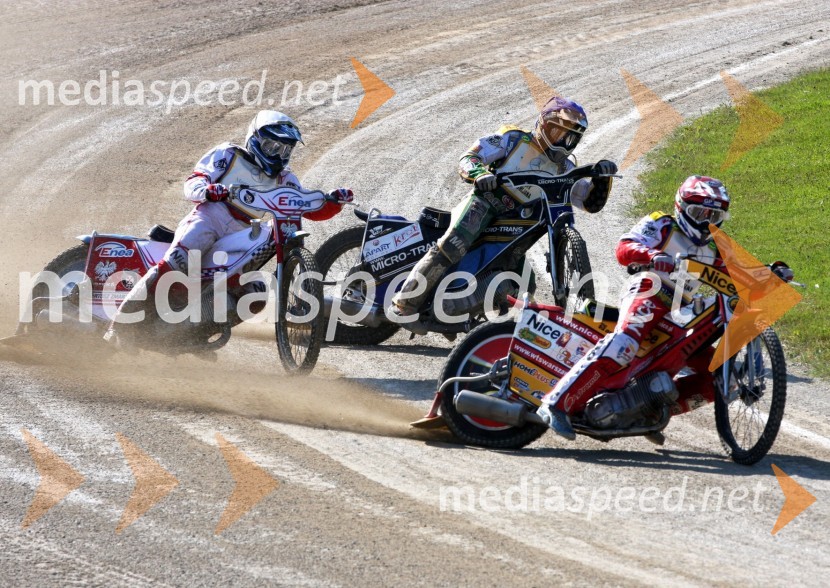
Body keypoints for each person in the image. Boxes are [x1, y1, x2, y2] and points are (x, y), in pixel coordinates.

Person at [106, 110, 352, 335]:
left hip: (242, 235)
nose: (279, 155)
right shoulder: (228, 154)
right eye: (272, 146)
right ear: (255, 139)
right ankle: (118, 328)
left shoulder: (286, 179)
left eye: (286, 150)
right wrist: (207, 190)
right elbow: (194, 181)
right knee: (180, 259)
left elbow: (307, 207)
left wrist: (333, 201)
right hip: (210, 217)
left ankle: (183, 337)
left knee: (255, 294)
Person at [389, 96, 616, 328]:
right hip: (486, 202)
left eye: (570, 138)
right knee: (453, 243)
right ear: (544, 124)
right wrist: (479, 174)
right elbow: (469, 157)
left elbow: (590, 203)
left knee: (524, 284)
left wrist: (602, 178)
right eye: (558, 133)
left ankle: (473, 322)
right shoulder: (512, 139)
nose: (563, 142)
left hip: (521, 225)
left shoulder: (565, 168)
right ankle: (404, 304)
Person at [537, 175, 731, 439]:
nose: (706, 222)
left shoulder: (717, 247)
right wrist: (653, 255)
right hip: (650, 290)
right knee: (624, 343)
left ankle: (646, 413)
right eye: (700, 213)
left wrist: (772, 275)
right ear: (682, 207)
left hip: (683, 313)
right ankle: (555, 403)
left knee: (722, 375)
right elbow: (623, 247)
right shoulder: (662, 223)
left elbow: (739, 277)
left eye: (714, 216)